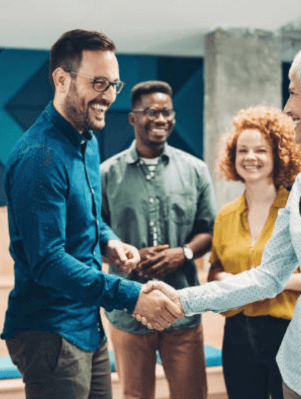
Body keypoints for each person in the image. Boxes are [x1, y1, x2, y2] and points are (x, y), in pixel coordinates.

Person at [139, 37, 301, 399]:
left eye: (293, 93)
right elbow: (268, 276)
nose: (287, 107)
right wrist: (184, 299)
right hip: (296, 375)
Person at [1, 30, 182, 399]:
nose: (110, 96)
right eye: (99, 83)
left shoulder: (87, 141)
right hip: (50, 331)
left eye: (114, 84)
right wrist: (131, 295)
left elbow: (87, 219)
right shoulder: (40, 156)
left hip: (86, 321)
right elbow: (48, 262)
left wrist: (110, 242)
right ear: (61, 79)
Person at [100, 80, 217, 399]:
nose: (161, 119)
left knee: (191, 395)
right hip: (128, 309)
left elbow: (209, 229)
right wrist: (125, 255)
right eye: (151, 112)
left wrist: (184, 253)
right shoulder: (106, 173)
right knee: (135, 396)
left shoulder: (195, 170)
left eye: (167, 112)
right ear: (132, 117)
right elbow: (94, 232)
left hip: (182, 308)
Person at [207, 106, 301, 399]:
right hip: (237, 332)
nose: (250, 158)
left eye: (261, 150)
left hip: (287, 331)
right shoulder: (225, 215)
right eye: (242, 150)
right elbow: (214, 272)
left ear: (279, 155)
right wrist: (238, 281)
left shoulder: (300, 209)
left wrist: (265, 282)